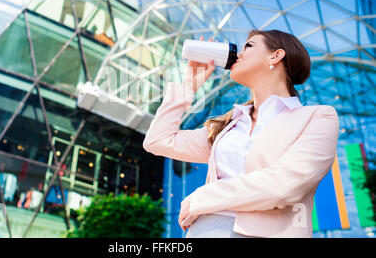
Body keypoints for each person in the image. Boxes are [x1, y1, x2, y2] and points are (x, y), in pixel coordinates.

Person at [142, 29, 339, 238]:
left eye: (248, 46)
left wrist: (203, 197)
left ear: (276, 55)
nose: (238, 54)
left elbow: (284, 185)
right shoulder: (228, 127)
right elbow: (157, 140)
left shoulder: (316, 118)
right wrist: (188, 87)